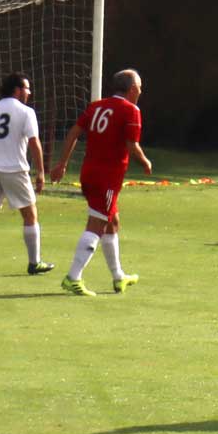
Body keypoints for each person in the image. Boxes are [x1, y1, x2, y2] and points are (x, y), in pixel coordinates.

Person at [49, 69, 153, 296]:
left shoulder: (96, 106)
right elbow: (132, 145)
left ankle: (118, 276)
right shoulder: (131, 110)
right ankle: (73, 277)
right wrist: (145, 162)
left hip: (88, 173)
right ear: (132, 89)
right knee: (96, 224)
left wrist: (62, 163)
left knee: (112, 221)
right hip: (107, 177)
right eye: (139, 87)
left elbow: (74, 132)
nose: (141, 91)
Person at [0, 72, 54, 277]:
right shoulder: (26, 112)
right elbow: (34, 142)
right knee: (30, 214)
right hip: (14, 169)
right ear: (17, 90)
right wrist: (41, 172)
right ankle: (34, 262)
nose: (29, 92)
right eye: (26, 88)